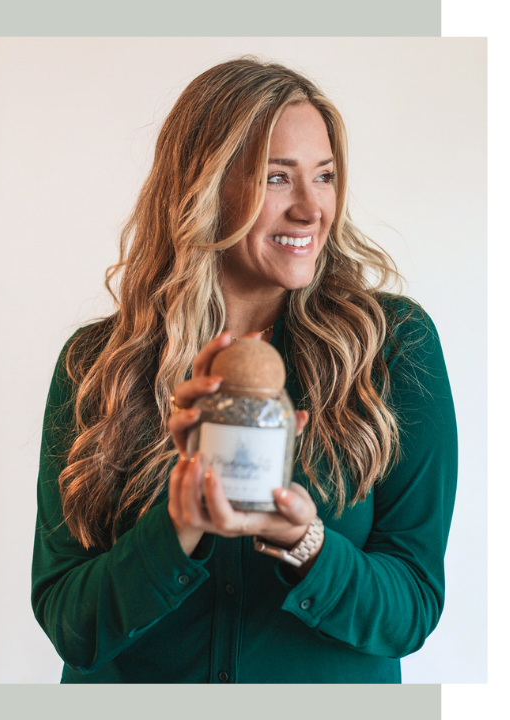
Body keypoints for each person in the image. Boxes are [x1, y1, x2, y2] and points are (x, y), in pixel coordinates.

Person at [31, 57, 458, 684]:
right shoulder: (100, 365)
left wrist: (307, 543)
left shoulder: (391, 346)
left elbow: (412, 608)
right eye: (277, 178)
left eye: (326, 176)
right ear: (204, 188)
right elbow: (70, 623)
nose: (312, 209)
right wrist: (177, 525)